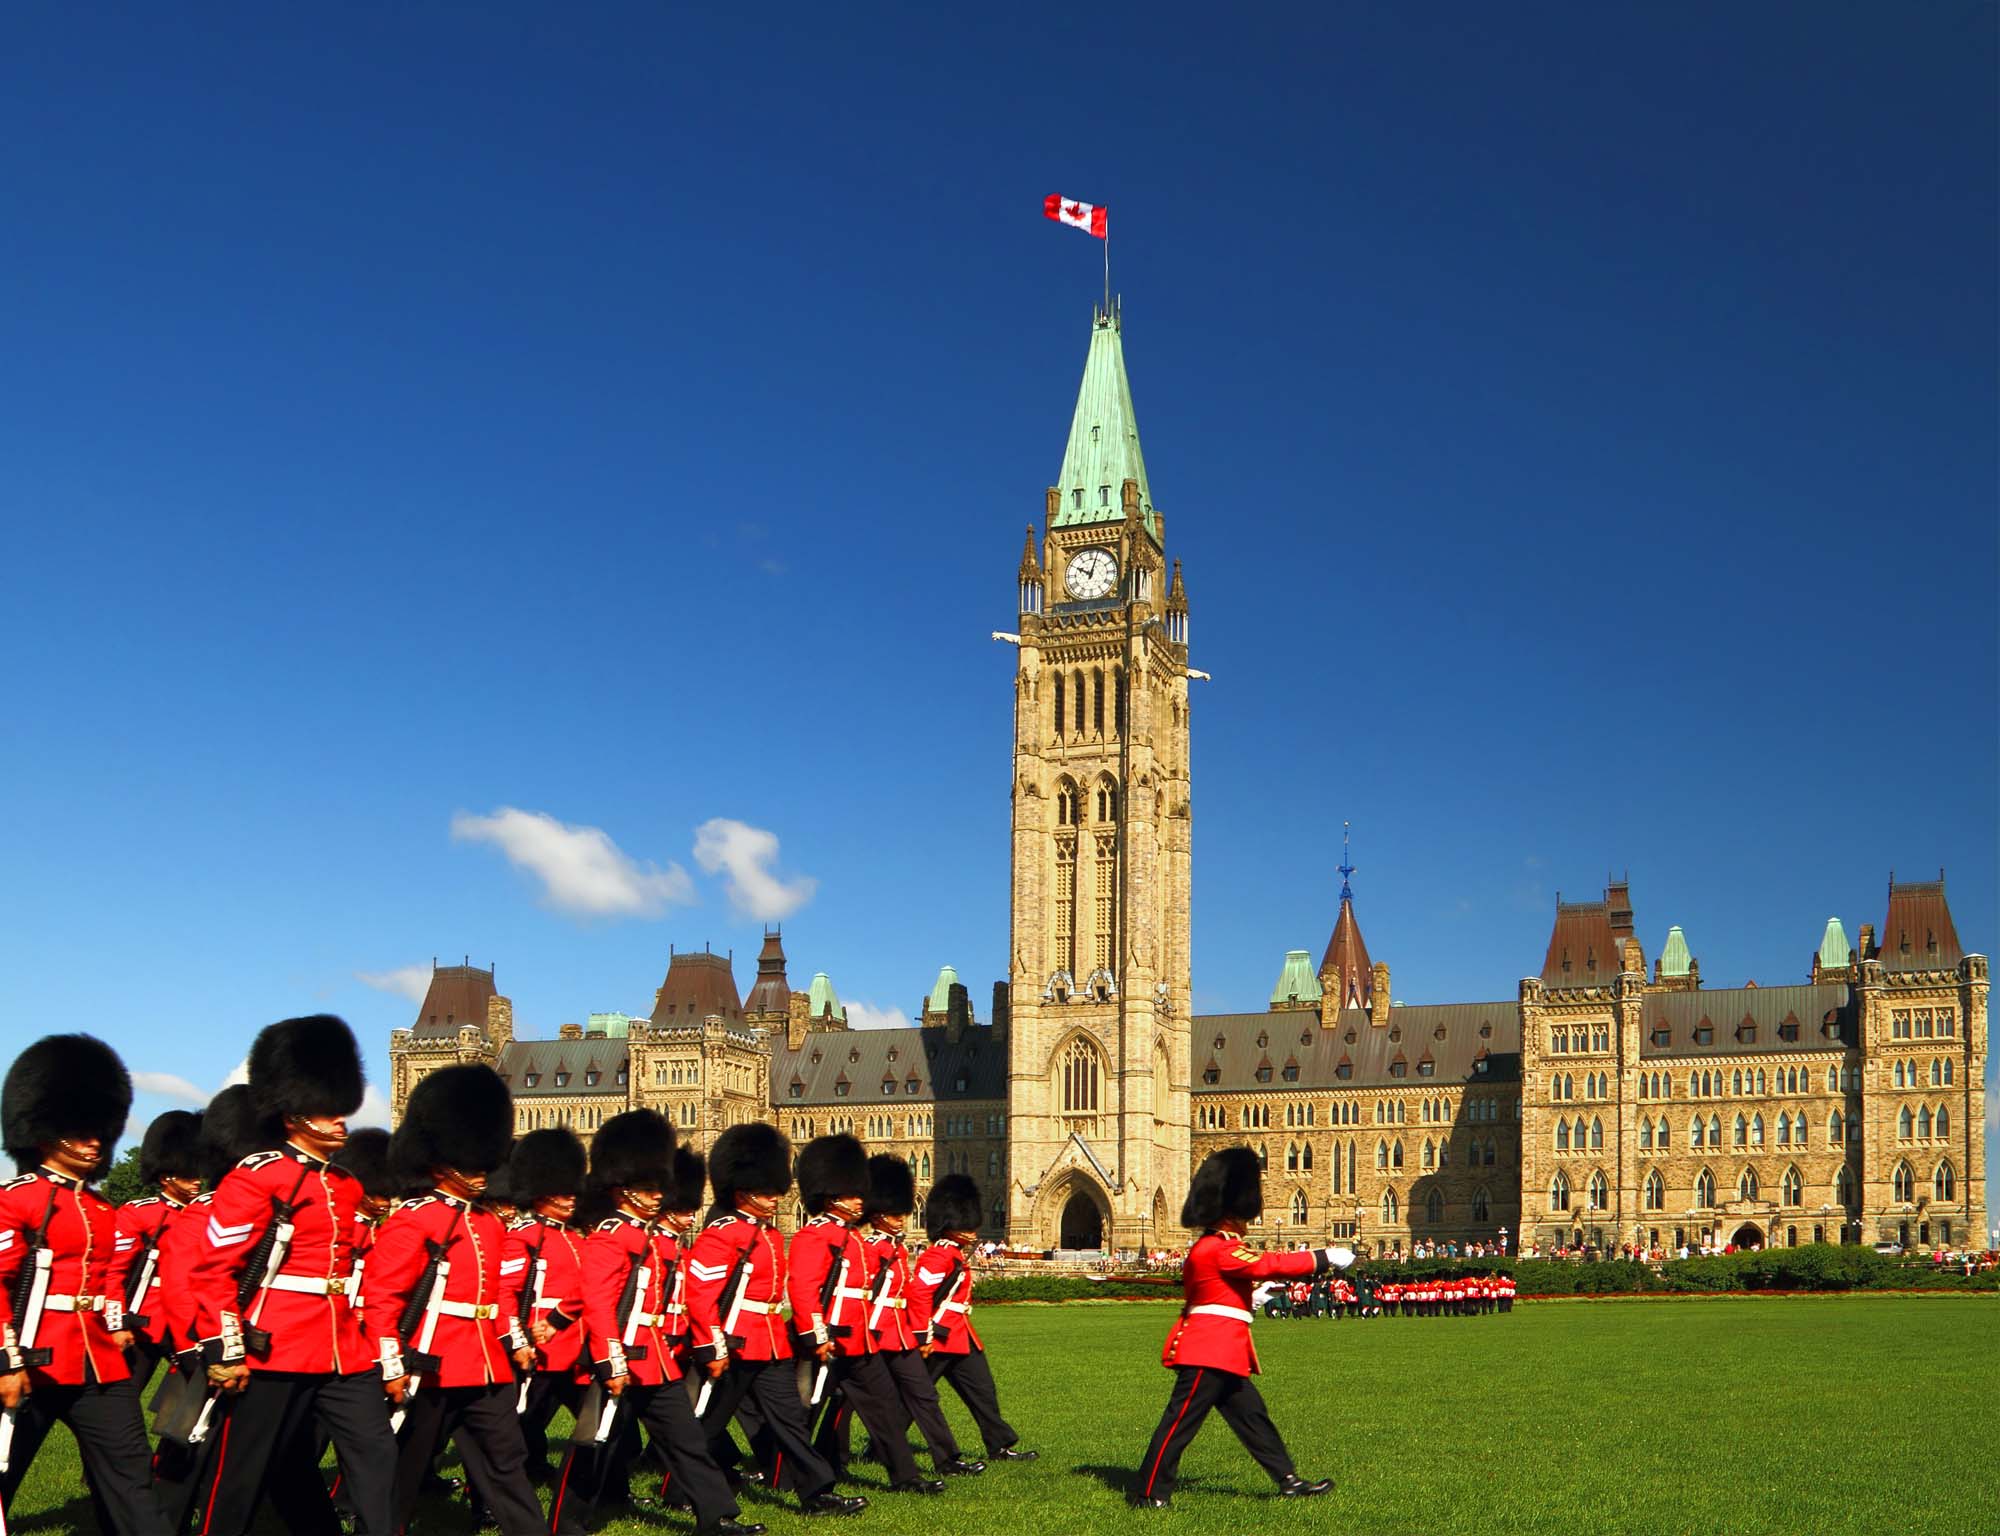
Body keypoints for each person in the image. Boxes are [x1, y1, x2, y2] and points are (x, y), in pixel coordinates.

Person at [185, 1014, 395, 1536]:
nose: (341, 1121)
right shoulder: (257, 1177)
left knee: (376, 1451)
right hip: (273, 1343)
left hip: (343, 1348)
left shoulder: (345, 1185)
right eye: (327, 1112)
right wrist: (225, 1348)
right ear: (295, 1114)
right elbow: (214, 1270)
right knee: (242, 1471)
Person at [550, 1110, 757, 1536]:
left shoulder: (643, 1235)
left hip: (655, 1359)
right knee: (593, 1441)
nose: (658, 1196)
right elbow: (598, 1299)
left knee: (686, 1440)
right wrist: (609, 1358)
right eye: (649, 1188)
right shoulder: (611, 1235)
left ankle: (715, 1516)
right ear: (623, 1190)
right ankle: (564, 1523)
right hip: (620, 1355)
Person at [0, 1033, 170, 1534]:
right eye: (81, 1131)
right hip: (33, 1357)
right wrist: (6, 1361)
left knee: (131, 1477)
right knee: (5, 1467)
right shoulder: (19, 1199)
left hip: (99, 1364)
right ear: (46, 1134)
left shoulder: (100, 1208)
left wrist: (114, 1323)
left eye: (99, 1130)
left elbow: (109, 1278)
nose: (95, 1141)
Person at [364, 1063, 544, 1533]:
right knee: (407, 1463)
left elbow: (500, 1295)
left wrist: (515, 1337)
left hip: (484, 1361)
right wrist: (391, 1363)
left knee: (507, 1458)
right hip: (432, 1361)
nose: (482, 1171)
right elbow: (382, 1296)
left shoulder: (487, 1222)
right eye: (471, 1162)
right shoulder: (416, 1218)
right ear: (442, 1162)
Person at [1131, 1147, 1346, 1510]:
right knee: (1180, 1423)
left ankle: (1287, 1479)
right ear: (1232, 1213)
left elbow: (1221, 1290)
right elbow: (1264, 1263)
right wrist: (1321, 1257)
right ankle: (1150, 1492)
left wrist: (1252, 1300)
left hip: (1225, 1351)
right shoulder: (1219, 1248)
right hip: (1208, 1350)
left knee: (1254, 1419)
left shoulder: (1214, 1248)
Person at [686, 1121, 864, 1519]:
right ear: (742, 1192)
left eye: (775, 1189)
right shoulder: (722, 1234)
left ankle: (816, 1492)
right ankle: (679, 1486)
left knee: (791, 1421)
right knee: (707, 1425)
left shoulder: (764, 1234)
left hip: (769, 1343)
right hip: (734, 1342)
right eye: (766, 1192)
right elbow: (700, 1296)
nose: (775, 1198)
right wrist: (712, 1345)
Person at [787, 1135, 941, 1496]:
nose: (861, 1200)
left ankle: (905, 1475)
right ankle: (783, 1475)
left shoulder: (853, 1239)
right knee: (803, 1412)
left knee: (885, 1410)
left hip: (858, 1339)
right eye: (853, 1193)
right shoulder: (814, 1236)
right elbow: (804, 1289)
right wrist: (815, 1334)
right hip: (827, 1339)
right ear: (831, 1195)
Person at [827, 1154, 983, 1480]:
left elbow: (908, 1296)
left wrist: (922, 1333)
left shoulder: (895, 1249)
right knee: (846, 1401)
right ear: (879, 1214)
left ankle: (948, 1458)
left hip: (899, 1333)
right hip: (871, 1331)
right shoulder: (869, 1247)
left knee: (924, 1394)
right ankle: (834, 1457)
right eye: (894, 1214)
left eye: (903, 1213)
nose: (901, 1219)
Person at [912, 1175, 1034, 1464]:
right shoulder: (938, 1256)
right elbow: (919, 1296)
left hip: (960, 1336)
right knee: (915, 1397)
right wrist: (922, 1336)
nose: (974, 1229)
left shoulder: (954, 1255)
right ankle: (883, 1444)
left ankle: (1000, 1445)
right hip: (938, 1338)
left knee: (983, 1392)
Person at [500, 1126, 589, 1480]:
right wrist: (519, 1340)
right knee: (524, 1421)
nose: (571, 1199)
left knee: (600, 1422)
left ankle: (609, 1487)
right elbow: (506, 1292)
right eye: (561, 1193)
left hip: (575, 1346)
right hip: (543, 1346)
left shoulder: (575, 1239)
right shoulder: (523, 1237)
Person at [116, 1109, 205, 1389]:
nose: (197, 1180)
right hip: (144, 1324)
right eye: (189, 1174)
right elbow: (114, 1271)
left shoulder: (206, 1215)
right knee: (126, 1395)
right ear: (167, 1177)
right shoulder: (140, 1214)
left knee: (194, 1397)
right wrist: (116, 1321)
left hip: (188, 1323)